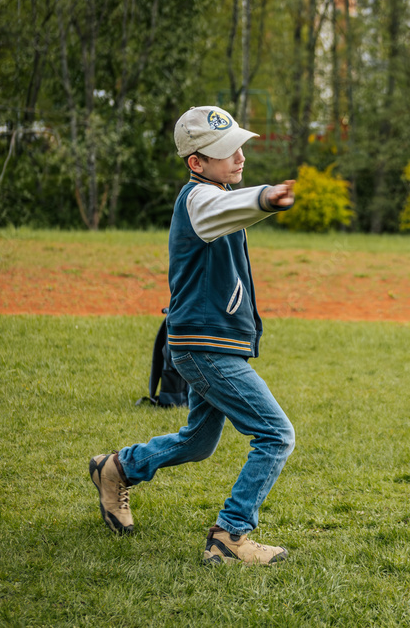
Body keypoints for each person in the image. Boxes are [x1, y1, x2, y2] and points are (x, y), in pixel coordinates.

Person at [90, 106, 296, 566]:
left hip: (205, 345)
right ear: (196, 163)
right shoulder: (199, 199)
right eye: (225, 151)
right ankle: (230, 536)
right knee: (276, 434)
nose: (239, 156)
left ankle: (117, 468)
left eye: (240, 145)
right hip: (205, 350)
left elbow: (230, 212)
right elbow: (227, 209)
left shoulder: (215, 194)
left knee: (198, 442)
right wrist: (266, 197)